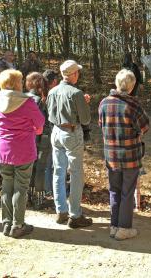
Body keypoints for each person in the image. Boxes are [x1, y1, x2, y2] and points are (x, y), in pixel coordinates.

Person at [0, 69, 45, 238]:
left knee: (7, 185)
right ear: (17, 83)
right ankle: (18, 224)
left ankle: (6, 223)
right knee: (21, 187)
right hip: (23, 148)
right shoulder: (26, 101)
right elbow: (40, 123)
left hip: (3, 149)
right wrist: (33, 129)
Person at [99, 69, 150, 240]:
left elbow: (101, 124)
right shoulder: (133, 105)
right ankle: (124, 228)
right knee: (127, 191)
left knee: (114, 190)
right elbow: (144, 127)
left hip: (111, 154)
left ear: (116, 83)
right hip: (130, 156)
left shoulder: (104, 103)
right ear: (132, 86)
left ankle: (114, 226)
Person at [47, 60, 92, 228]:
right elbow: (86, 119)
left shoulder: (53, 91)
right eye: (77, 73)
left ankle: (61, 211)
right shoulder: (76, 93)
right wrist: (84, 105)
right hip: (71, 132)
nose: (78, 75)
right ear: (73, 74)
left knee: (58, 172)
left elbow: (50, 115)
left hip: (56, 132)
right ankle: (75, 214)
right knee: (76, 173)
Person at [25, 72, 51, 209]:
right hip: (42, 137)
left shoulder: (23, 97)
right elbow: (43, 121)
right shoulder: (39, 100)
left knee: (30, 168)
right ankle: (39, 199)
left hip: (27, 138)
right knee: (40, 168)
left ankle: (28, 197)